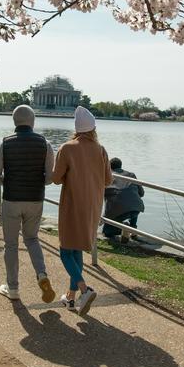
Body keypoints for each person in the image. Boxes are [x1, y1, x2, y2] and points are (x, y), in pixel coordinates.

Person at [0, 105, 57, 304]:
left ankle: (13, 288)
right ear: (33, 121)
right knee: (32, 239)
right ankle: (42, 274)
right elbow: (50, 178)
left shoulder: (5, 144)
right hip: (35, 199)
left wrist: (6, 181)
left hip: (11, 199)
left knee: (10, 244)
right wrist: (36, 181)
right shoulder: (45, 143)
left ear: (14, 121)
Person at [50, 106, 112, 316]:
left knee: (66, 250)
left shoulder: (67, 148)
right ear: (93, 128)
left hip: (73, 205)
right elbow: (108, 180)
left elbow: (56, 179)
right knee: (76, 250)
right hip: (93, 206)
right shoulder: (100, 149)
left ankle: (85, 290)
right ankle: (70, 297)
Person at [102, 157, 145, 243]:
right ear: (121, 166)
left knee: (107, 233)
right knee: (133, 200)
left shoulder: (106, 178)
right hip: (136, 209)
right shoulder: (131, 175)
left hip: (118, 210)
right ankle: (132, 228)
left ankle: (123, 227)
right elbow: (141, 193)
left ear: (109, 167)